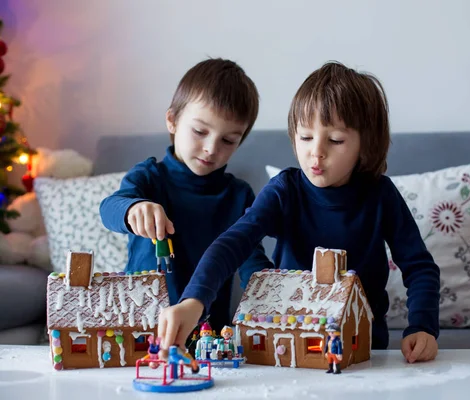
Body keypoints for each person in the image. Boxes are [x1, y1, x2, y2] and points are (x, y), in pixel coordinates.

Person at [158, 61, 441, 364]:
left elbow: (420, 267)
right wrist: (194, 300)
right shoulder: (284, 191)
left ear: (366, 145)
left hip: (365, 352)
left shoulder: (381, 195)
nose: (316, 152)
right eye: (305, 137)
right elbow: (233, 243)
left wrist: (422, 327)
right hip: (286, 349)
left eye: (335, 140)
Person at [99, 58, 273, 335]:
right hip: (140, 325)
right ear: (172, 120)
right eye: (200, 131)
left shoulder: (239, 195)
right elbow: (109, 209)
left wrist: (274, 286)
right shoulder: (148, 177)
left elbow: (251, 258)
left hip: (208, 331)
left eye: (228, 140)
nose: (210, 148)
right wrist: (134, 208)